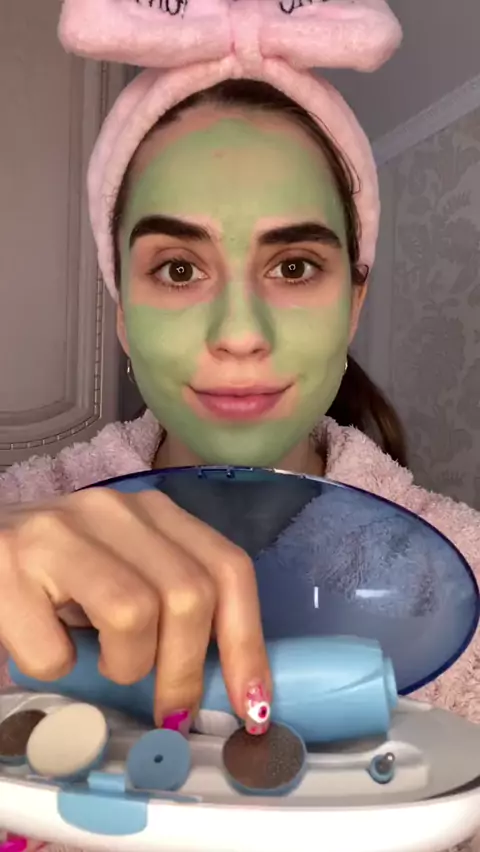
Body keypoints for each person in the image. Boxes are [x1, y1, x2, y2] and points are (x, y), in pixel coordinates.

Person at [0, 1, 479, 850]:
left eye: (293, 266)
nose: (239, 333)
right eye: (178, 269)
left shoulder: (461, 574)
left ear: (354, 300)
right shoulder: (19, 529)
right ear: (122, 309)